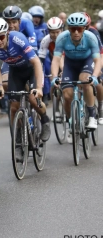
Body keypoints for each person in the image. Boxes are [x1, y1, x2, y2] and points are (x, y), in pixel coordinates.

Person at [0, 18, 51, 161]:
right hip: (15, 72)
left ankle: (45, 120)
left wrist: (39, 88)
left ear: (7, 33)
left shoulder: (18, 38)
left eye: (1, 37)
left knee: (34, 99)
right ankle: (17, 143)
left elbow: (36, 62)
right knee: (14, 107)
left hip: (31, 70)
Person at [51, 13, 101, 142]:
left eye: (80, 28)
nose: (76, 32)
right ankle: (71, 122)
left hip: (86, 61)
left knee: (85, 80)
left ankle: (92, 116)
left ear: (84, 28)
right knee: (67, 95)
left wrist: (94, 76)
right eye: (73, 29)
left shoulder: (91, 37)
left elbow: (98, 59)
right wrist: (54, 77)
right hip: (70, 64)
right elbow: (56, 59)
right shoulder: (62, 38)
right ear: (68, 29)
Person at [38, 17, 64, 107]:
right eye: (52, 32)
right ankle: (56, 108)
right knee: (54, 82)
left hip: (67, 60)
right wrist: (40, 73)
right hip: (55, 61)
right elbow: (41, 60)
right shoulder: (46, 40)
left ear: (62, 30)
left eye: (57, 32)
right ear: (48, 32)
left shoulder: (67, 38)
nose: (55, 35)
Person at [83, 12, 103, 125]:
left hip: (94, 57)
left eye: (85, 27)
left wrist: (99, 67)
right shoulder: (71, 33)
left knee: (98, 81)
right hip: (79, 59)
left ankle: (100, 107)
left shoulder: (93, 32)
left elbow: (101, 53)